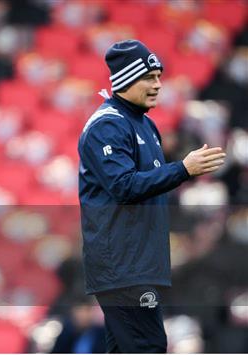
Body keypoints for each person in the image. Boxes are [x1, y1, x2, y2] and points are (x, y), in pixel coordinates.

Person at [78, 40, 226, 353]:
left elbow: (149, 190)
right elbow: (124, 186)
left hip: (140, 263)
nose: (158, 85)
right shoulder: (107, 127)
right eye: (149, 77)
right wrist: (183, 169)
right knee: (149, 347)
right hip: (122, 265)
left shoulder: (145, 125)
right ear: (126, 79)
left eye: (159, 76)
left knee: (127, 348)